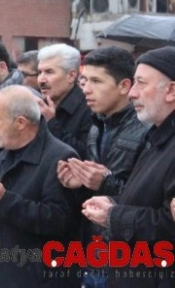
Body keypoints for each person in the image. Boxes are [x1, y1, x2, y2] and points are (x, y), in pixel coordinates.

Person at [0, 85, 80, 287]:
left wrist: (4, 201)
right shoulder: (2, 155)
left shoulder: (60, 157)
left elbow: (59, 220)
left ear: (20, 123)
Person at [82, 46, 175, 287]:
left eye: (141, 84)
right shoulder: (156, 137)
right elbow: (148, 199)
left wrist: (114, 216)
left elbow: (167, 224)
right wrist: (115, 202)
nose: (132, 93)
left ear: (171, 90)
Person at [57, 46, 148, 288]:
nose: (86, 88)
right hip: (94, 249)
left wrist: (103, 181)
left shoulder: (146, 129)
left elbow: (145, 196)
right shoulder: (96, 126)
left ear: (124, 86)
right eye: (84, 80)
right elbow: (98, 189)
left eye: (96, 81)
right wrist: (80, 183)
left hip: (129, 257)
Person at [37, 43, 92, 158]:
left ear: (71, 76)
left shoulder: (89, 107)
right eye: (39, 72)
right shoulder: (39, 106)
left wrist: (51, 123)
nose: (41, 80)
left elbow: (84, 155)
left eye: (49, 72)